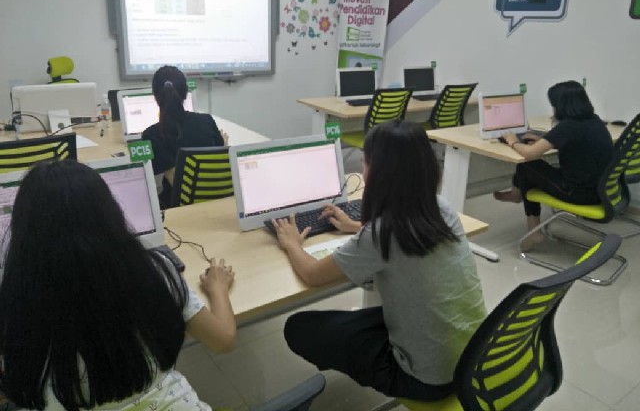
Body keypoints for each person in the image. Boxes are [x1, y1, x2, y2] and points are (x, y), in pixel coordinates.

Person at [270, 120, 486, 401]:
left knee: (299, 327)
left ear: (378, 172)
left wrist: (291, 243)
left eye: (365, 162)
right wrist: (356, 226)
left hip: (426, 380)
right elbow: (403, 237)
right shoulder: (441, 206)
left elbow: (312, 274)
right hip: (472, 360)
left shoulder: (382, 233)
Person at [0, 160, 236, 410]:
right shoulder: (154, 270)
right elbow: (223, 339)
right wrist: (218, 290)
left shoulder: (15, 298)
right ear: (108, 212)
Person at [494, 80, 614, 248]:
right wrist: (545, 140)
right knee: (533, 169)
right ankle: (518, 196)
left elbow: (529, 153)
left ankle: (531, 226)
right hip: (600, 191)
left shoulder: (568, 126)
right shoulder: (594, 121)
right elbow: (579, 143)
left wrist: (512, 141)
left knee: (527, 165)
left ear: (561, 105)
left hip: (577, 193)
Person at [142, 65, 227, 208]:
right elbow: (220, 161)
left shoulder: (152, 135)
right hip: (219, 202)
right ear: (186, 94)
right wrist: (224, 146)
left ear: (155, 97)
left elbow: (177, 184)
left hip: (180, 209)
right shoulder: (207, 120)